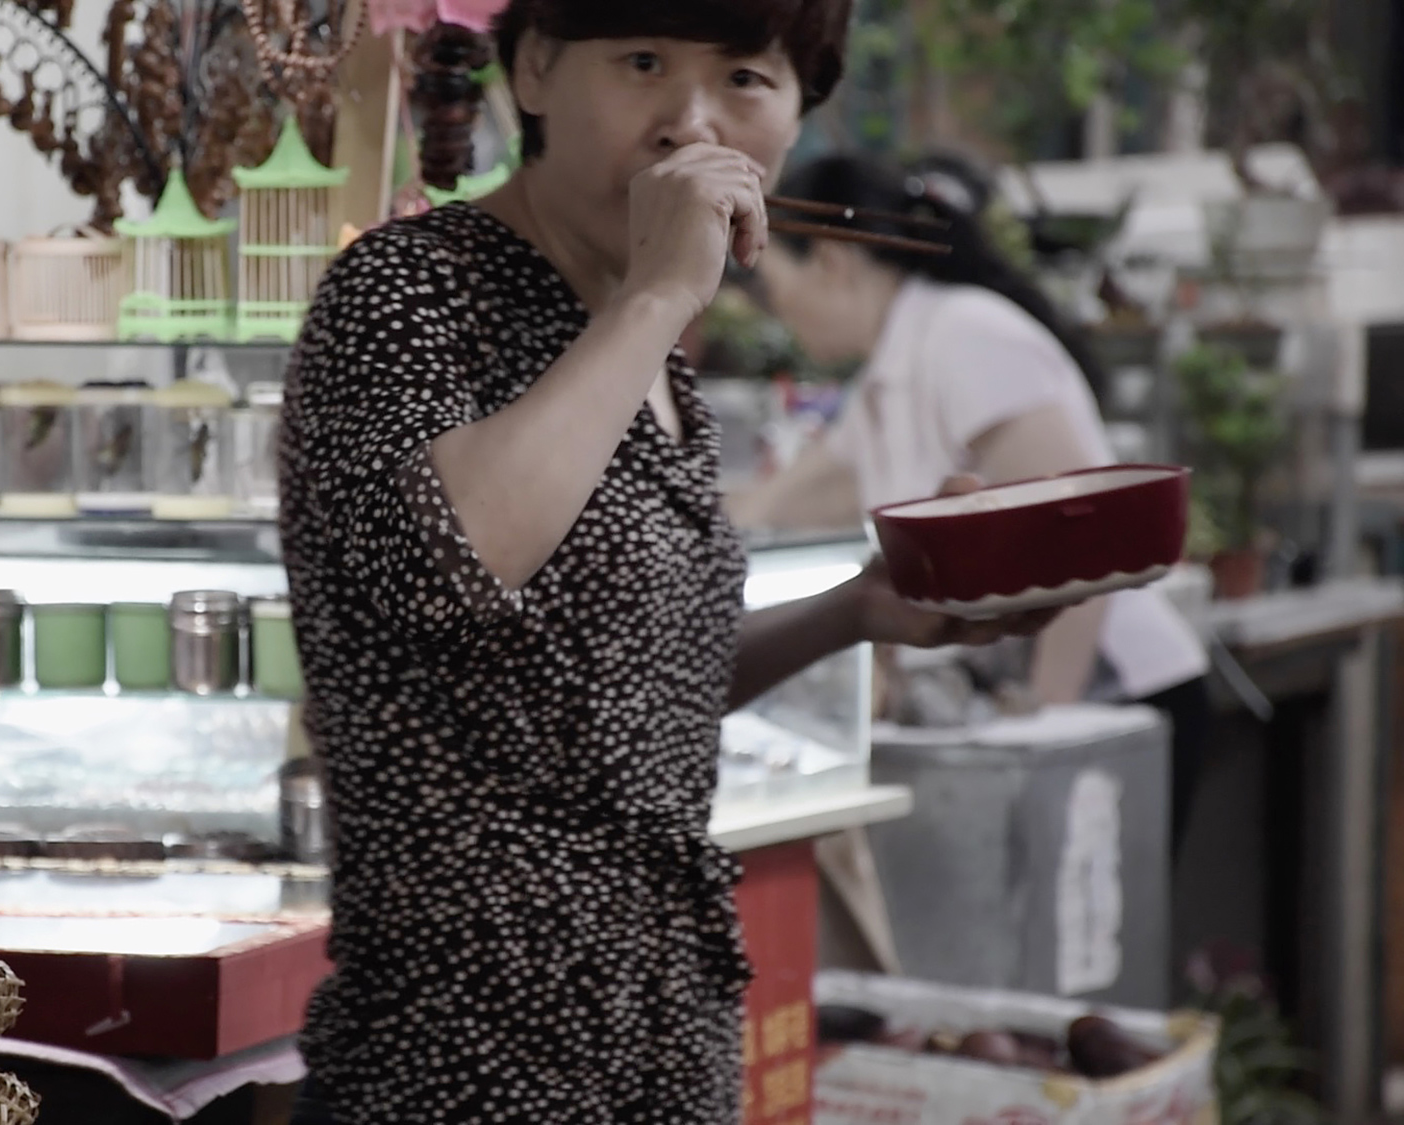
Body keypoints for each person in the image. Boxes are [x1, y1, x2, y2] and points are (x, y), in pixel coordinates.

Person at [275, 4, 1068, 1122]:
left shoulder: (648, 351)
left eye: (745, 79)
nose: (690, 124)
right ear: (535, 69)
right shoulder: (408, 292)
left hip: (662, 1051)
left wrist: (855, 609)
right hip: (458, 1064)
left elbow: (626, 685)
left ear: (795, 115)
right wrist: (656, 297)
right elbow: (443, 571)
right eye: (641, 62)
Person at [733, 151, 1211, 854]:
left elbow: (1079, 538)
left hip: (1112, 697)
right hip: (1045, 710)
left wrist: (1043, 723)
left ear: (832, 262)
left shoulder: (962, 333)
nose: (780, 314)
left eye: (776, 287)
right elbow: (793, 496)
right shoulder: (888, 373)